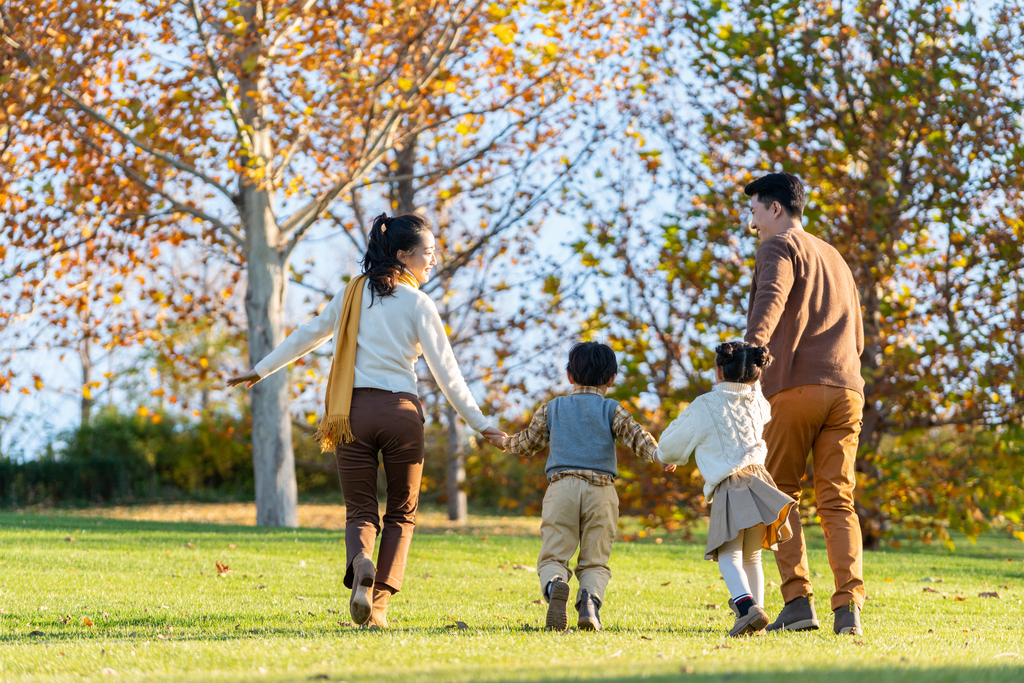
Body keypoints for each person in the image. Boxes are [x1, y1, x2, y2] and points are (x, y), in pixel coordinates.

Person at [228, 213, 506, 629]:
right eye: (427, 253)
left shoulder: (351, 294)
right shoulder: (419, 304)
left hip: (350, 414)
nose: (433, 260)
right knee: (401, 513)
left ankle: (361, 562)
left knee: (359, 510)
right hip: (401, 415)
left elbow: (309, 333)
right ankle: (377, 609)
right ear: (401, 255)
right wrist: (480, 424)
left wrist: (261, 369)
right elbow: (448, 373)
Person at [743, 172, 866, 636]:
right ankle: (848, 608)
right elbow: (856, 333)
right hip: (846, 389)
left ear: (775, 208)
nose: (752, 222)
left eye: (754, 210)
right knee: (838, 500)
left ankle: (796, 601)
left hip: (796, 385)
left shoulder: (779, 246)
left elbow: (771, 296)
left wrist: (753, 352)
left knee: (778, 496)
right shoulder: (835, 257)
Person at [492, 341, 673, 632]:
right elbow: (636, 435)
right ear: (611, 379)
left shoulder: (552, 408)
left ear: (569, 376)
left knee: (554, 555)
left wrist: (502, 442)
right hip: (601, 491)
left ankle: (555, 587)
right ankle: (589, 603)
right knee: (595, 560)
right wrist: (658, 455)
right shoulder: (612, 409)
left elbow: (528, 443)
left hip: (562, 488)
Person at [659, 342, 796, 637]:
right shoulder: (759, 403)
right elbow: (751, 395)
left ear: (718, 370)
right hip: (761, 483)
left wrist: (666, 457)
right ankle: (757, 619)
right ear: (757, 376)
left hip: (731, 485)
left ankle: (747, 609)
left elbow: (669, 447)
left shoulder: (705, 405)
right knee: (752, 557)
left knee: (729, 557)